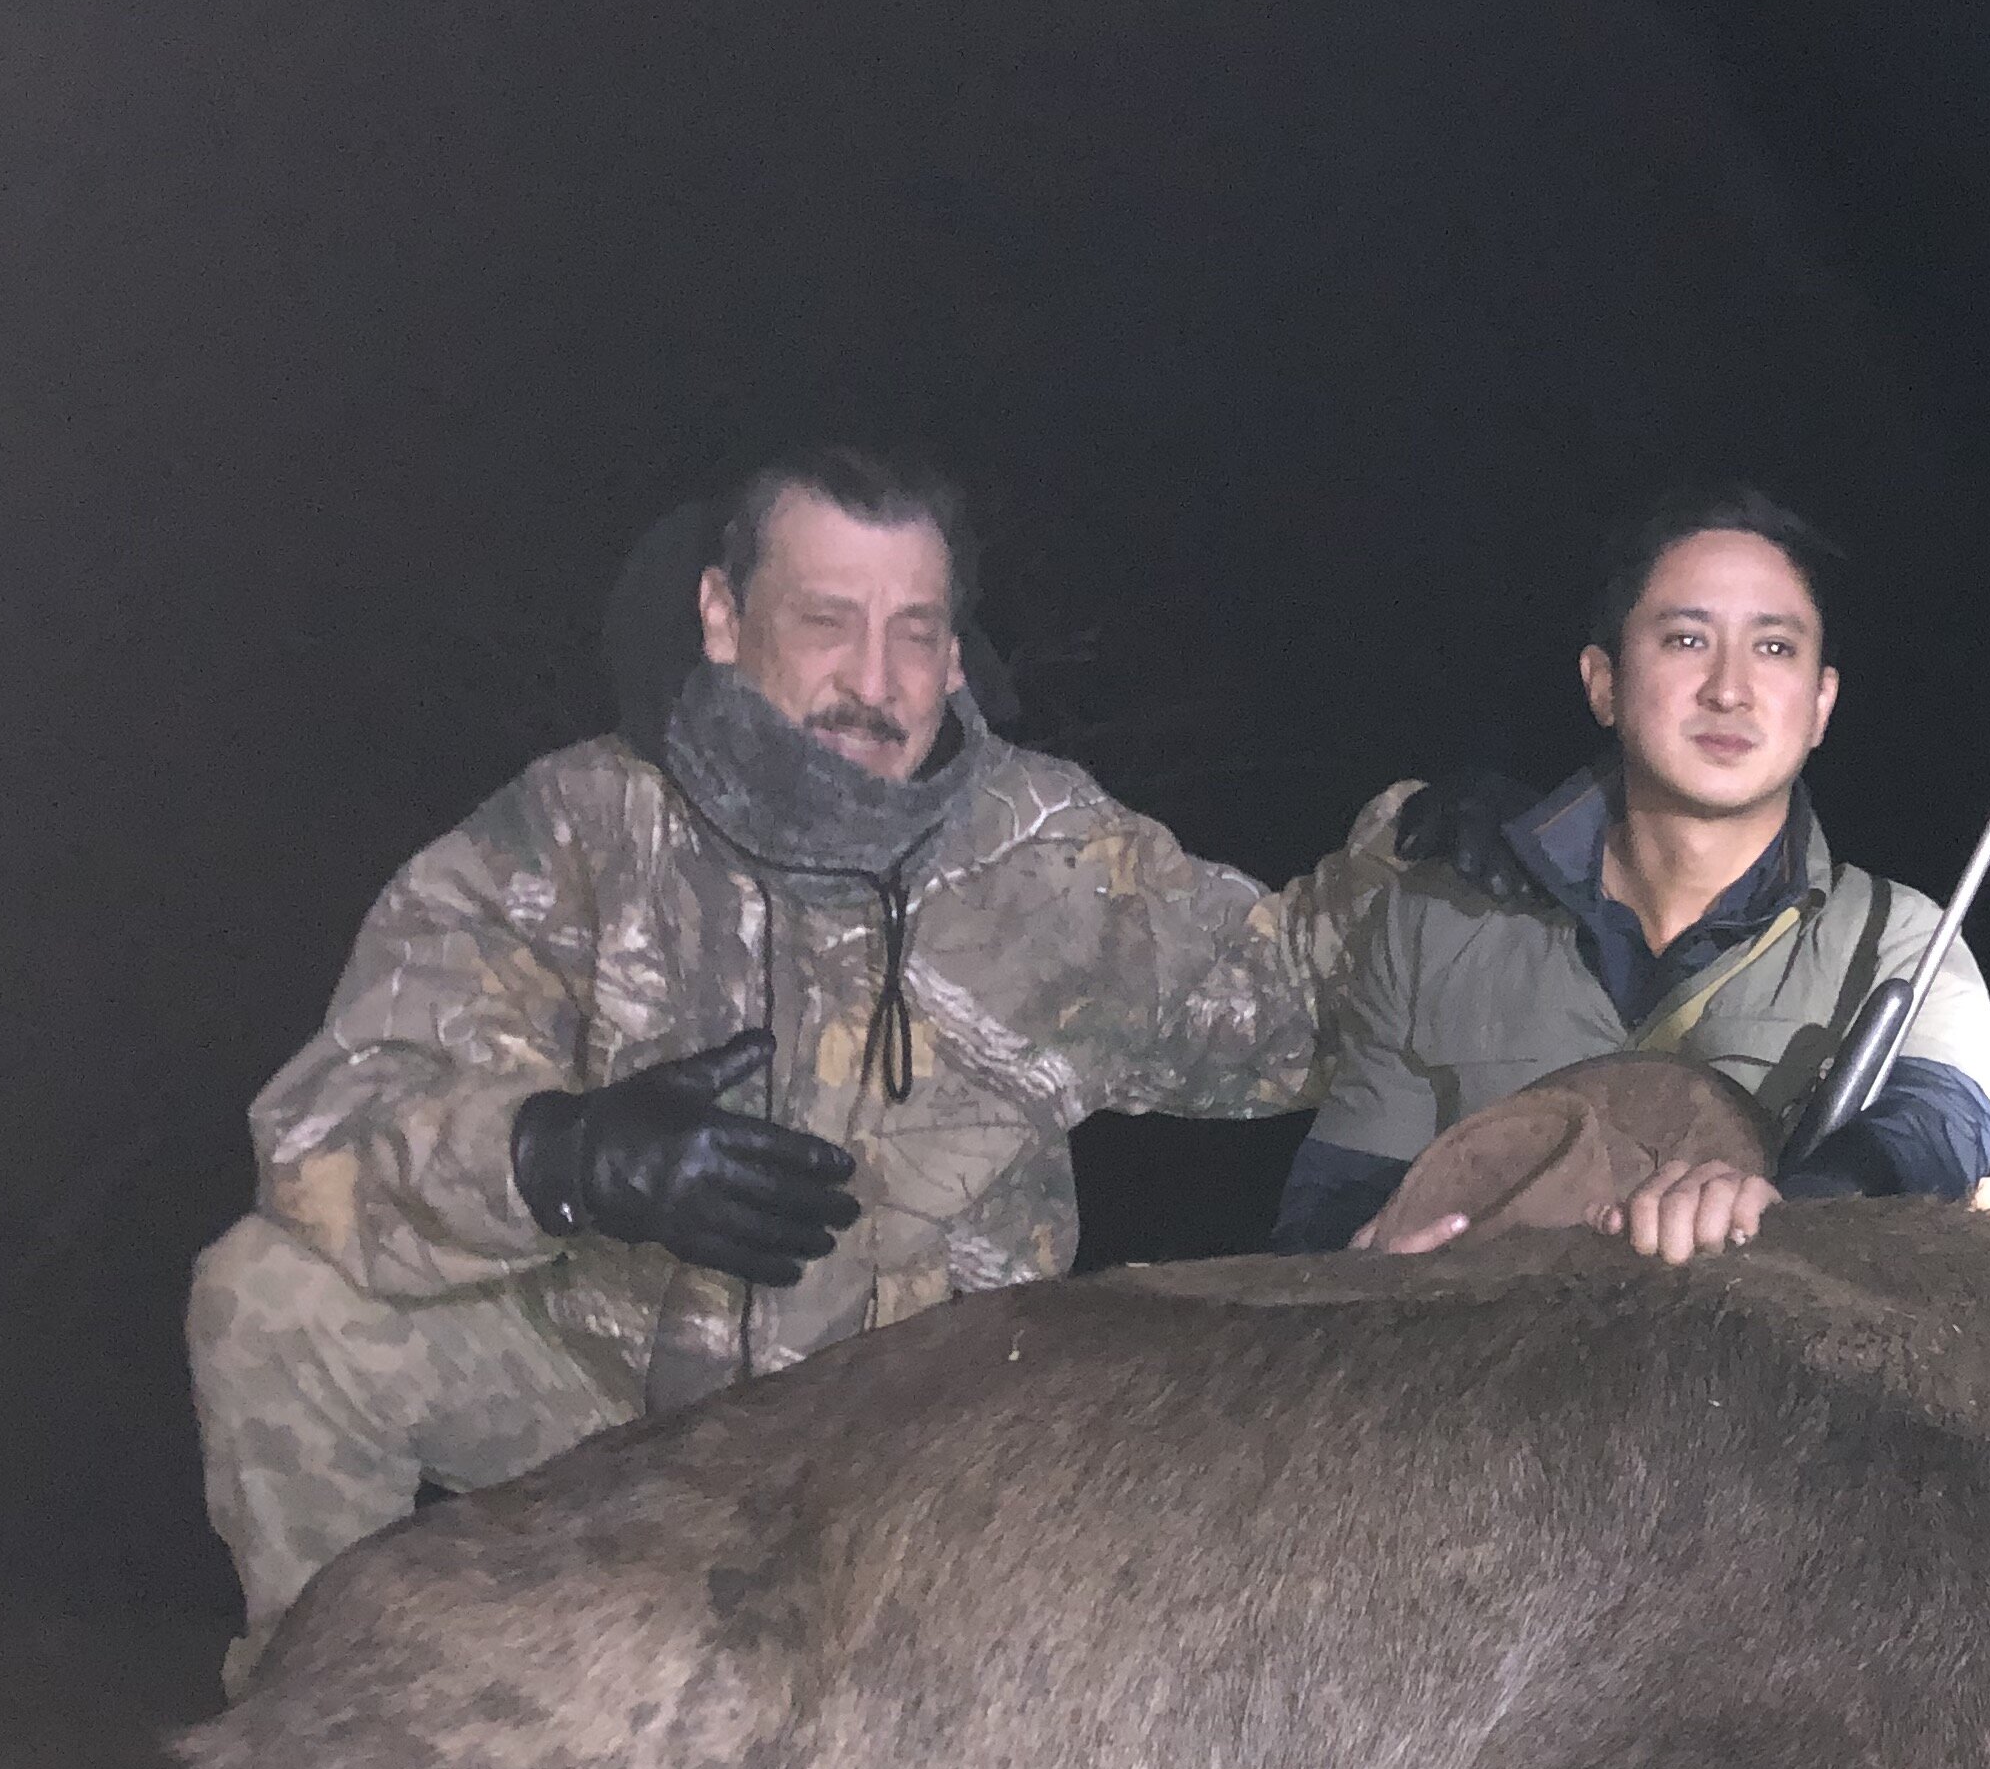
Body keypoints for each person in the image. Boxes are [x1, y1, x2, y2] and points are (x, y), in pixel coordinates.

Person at [194, 446, 1393, 1691]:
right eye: (826, 622)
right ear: (722, 616)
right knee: (274, 1299)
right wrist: (562, 1158)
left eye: (916, 633)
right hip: (610, 1430)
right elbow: (323, 1130)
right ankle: (327, 1764)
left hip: (915, 1475)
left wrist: (1425, 867)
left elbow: (1294, 1006)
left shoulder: (1054, 855)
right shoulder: (578, 829)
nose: (874, 683)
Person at [1272, 487, 1990, 1265]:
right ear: (1603, 683)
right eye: (1686, 640)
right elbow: (1337, 1194)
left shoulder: (1904, 939)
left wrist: (1798, 1209)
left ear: (1821, 705)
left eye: (1776, 648)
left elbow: (1939, 1127)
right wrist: (1358, 1254)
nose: (1729, 688)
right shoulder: (1431, 921)